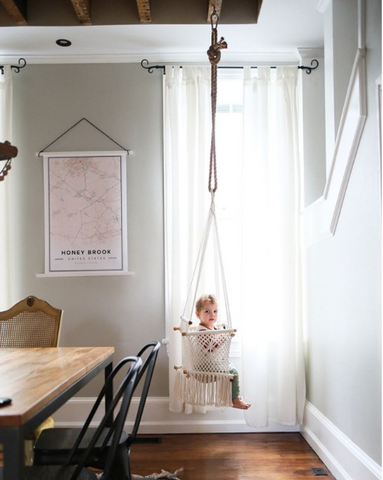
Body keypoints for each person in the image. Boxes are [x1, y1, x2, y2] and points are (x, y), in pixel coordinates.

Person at [195, 294, 251, 410]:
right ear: (197, 314)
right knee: (233, 371)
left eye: (215, 311)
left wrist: (222, 333)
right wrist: (224, 335)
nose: (212, 314)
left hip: (212, 363)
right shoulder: (201, 331)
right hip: (203, 367)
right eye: (207, 311)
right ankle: (235, 399)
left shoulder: (213, 328)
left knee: (231, 367)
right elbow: (212, 346)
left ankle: (233, 396)